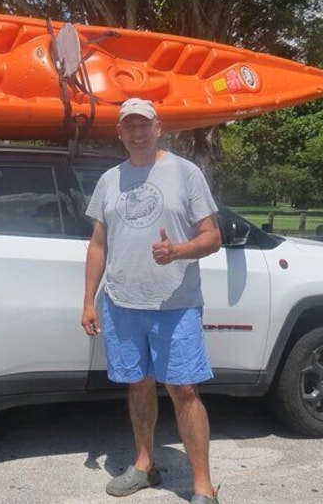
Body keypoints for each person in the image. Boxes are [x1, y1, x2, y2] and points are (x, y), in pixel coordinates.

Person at [81, 97, 222, 503]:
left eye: (144, 125)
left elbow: (212, 236)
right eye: (130, 126)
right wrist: (90, 300)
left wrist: (178, 251)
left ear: (158, 127)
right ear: (120, 132)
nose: (137, 133)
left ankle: (202, 486)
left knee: (184, 390)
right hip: (122, 304)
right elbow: (98, 245)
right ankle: (145, 464)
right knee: (138, 385)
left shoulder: (185, 172)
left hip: (175, 305)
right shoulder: (110, 180)